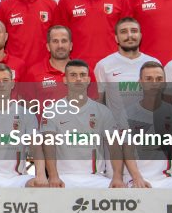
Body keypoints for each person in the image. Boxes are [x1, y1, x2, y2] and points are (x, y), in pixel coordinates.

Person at [37, 59, 123, 189]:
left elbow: (114, 148)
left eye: (82, 75)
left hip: (96, 178)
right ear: (65, 80)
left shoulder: (103, 111)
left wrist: (117, 176)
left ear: (88, 80)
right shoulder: (51, 111)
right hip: (63, 178)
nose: (78, 79)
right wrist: (53, 176)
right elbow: (48, 147)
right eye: (73, 75)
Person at [121, 61, 172, 189]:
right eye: (149, 79)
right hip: (139, 179)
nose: (154, 83)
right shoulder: (127, 114)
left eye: (159, 79)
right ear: (140, 82)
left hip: (169, 179)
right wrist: (136, 177)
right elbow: (126, 151)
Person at [94, 17, 159, 127]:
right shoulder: (103, 65)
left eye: (134, 31)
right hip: (117, 132)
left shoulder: (154, 63)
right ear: (116, 38)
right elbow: (98, 103)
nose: (129, 35)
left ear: (140, 35)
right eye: (123, 32)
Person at [23, 25, 74, 102]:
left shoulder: (85, 71)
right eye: (55, 41)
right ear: (48, 46)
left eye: (64, 41)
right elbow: (27, 109)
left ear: (70, 46)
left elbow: (93, 106)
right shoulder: (34, 73)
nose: (60, 46)